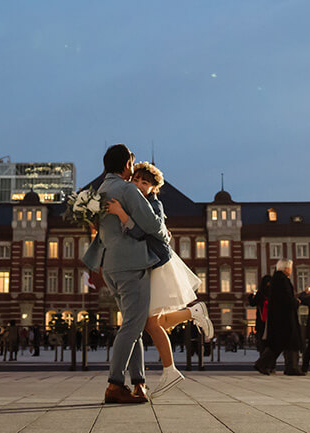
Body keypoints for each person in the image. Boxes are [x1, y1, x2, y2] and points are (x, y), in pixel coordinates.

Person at [105, 162, 212, 397]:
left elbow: (143, 230)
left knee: (150, 322)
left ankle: (170, 369)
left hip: (156, 264)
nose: (140, 186)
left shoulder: (153, 203)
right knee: (151, 322)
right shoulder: (136, 201)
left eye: (146, 183)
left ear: (154, 188)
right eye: (137, 181)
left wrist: (122, 214)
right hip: (148, 262)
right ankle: (190, 317)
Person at [81, 144, 169, 404]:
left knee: (133, 325)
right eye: (131, 164)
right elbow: (154, 224)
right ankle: (115, 384)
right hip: (131, 265)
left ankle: (139, 383)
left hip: (109, 266)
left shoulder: (101, 190)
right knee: (132, 326)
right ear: (127, 165)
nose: (133, 169)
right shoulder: (127, 189)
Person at [254, 259, 303, 376]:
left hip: (279, 317)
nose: (291, 270)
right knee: (284, 342)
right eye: (290, 268)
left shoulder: (276, 280)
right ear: (286, 268)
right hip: (284, 318)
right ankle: (289, 367)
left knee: (280, 343)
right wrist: (296, 302)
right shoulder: (282, 281)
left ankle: (288, 366)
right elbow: (286, 299)